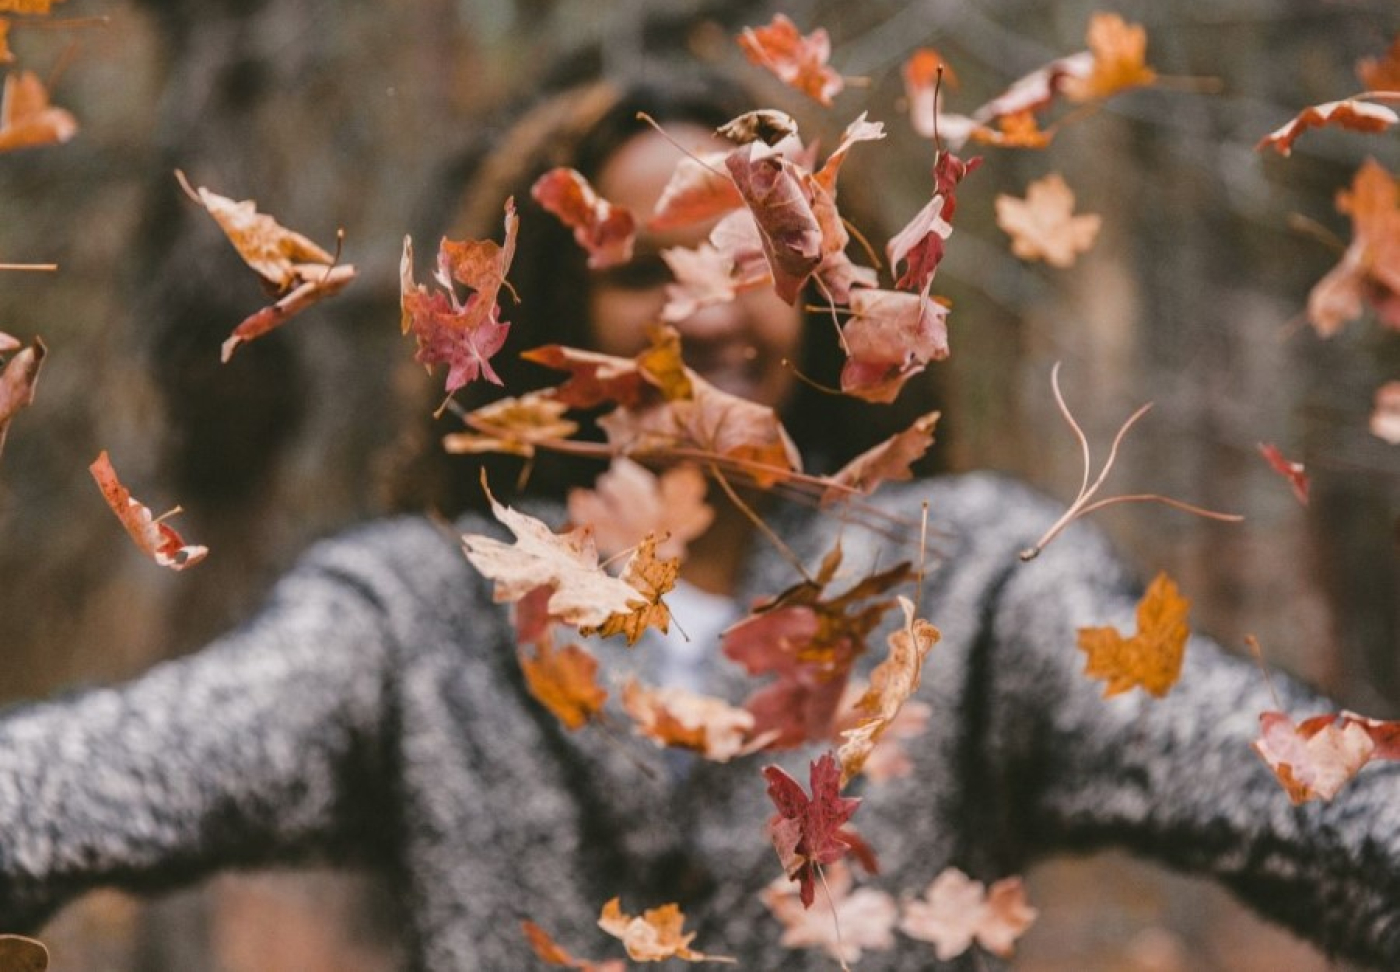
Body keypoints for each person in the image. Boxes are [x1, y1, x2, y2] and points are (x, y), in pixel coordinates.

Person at [1, 70, 1398, 972]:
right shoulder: (420, 612)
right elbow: (119, 768)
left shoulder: (966, 582)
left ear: (815, 291)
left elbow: (1293, 799)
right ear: (555, 323)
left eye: (745, 258)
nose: (701, 308)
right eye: (640, 271)